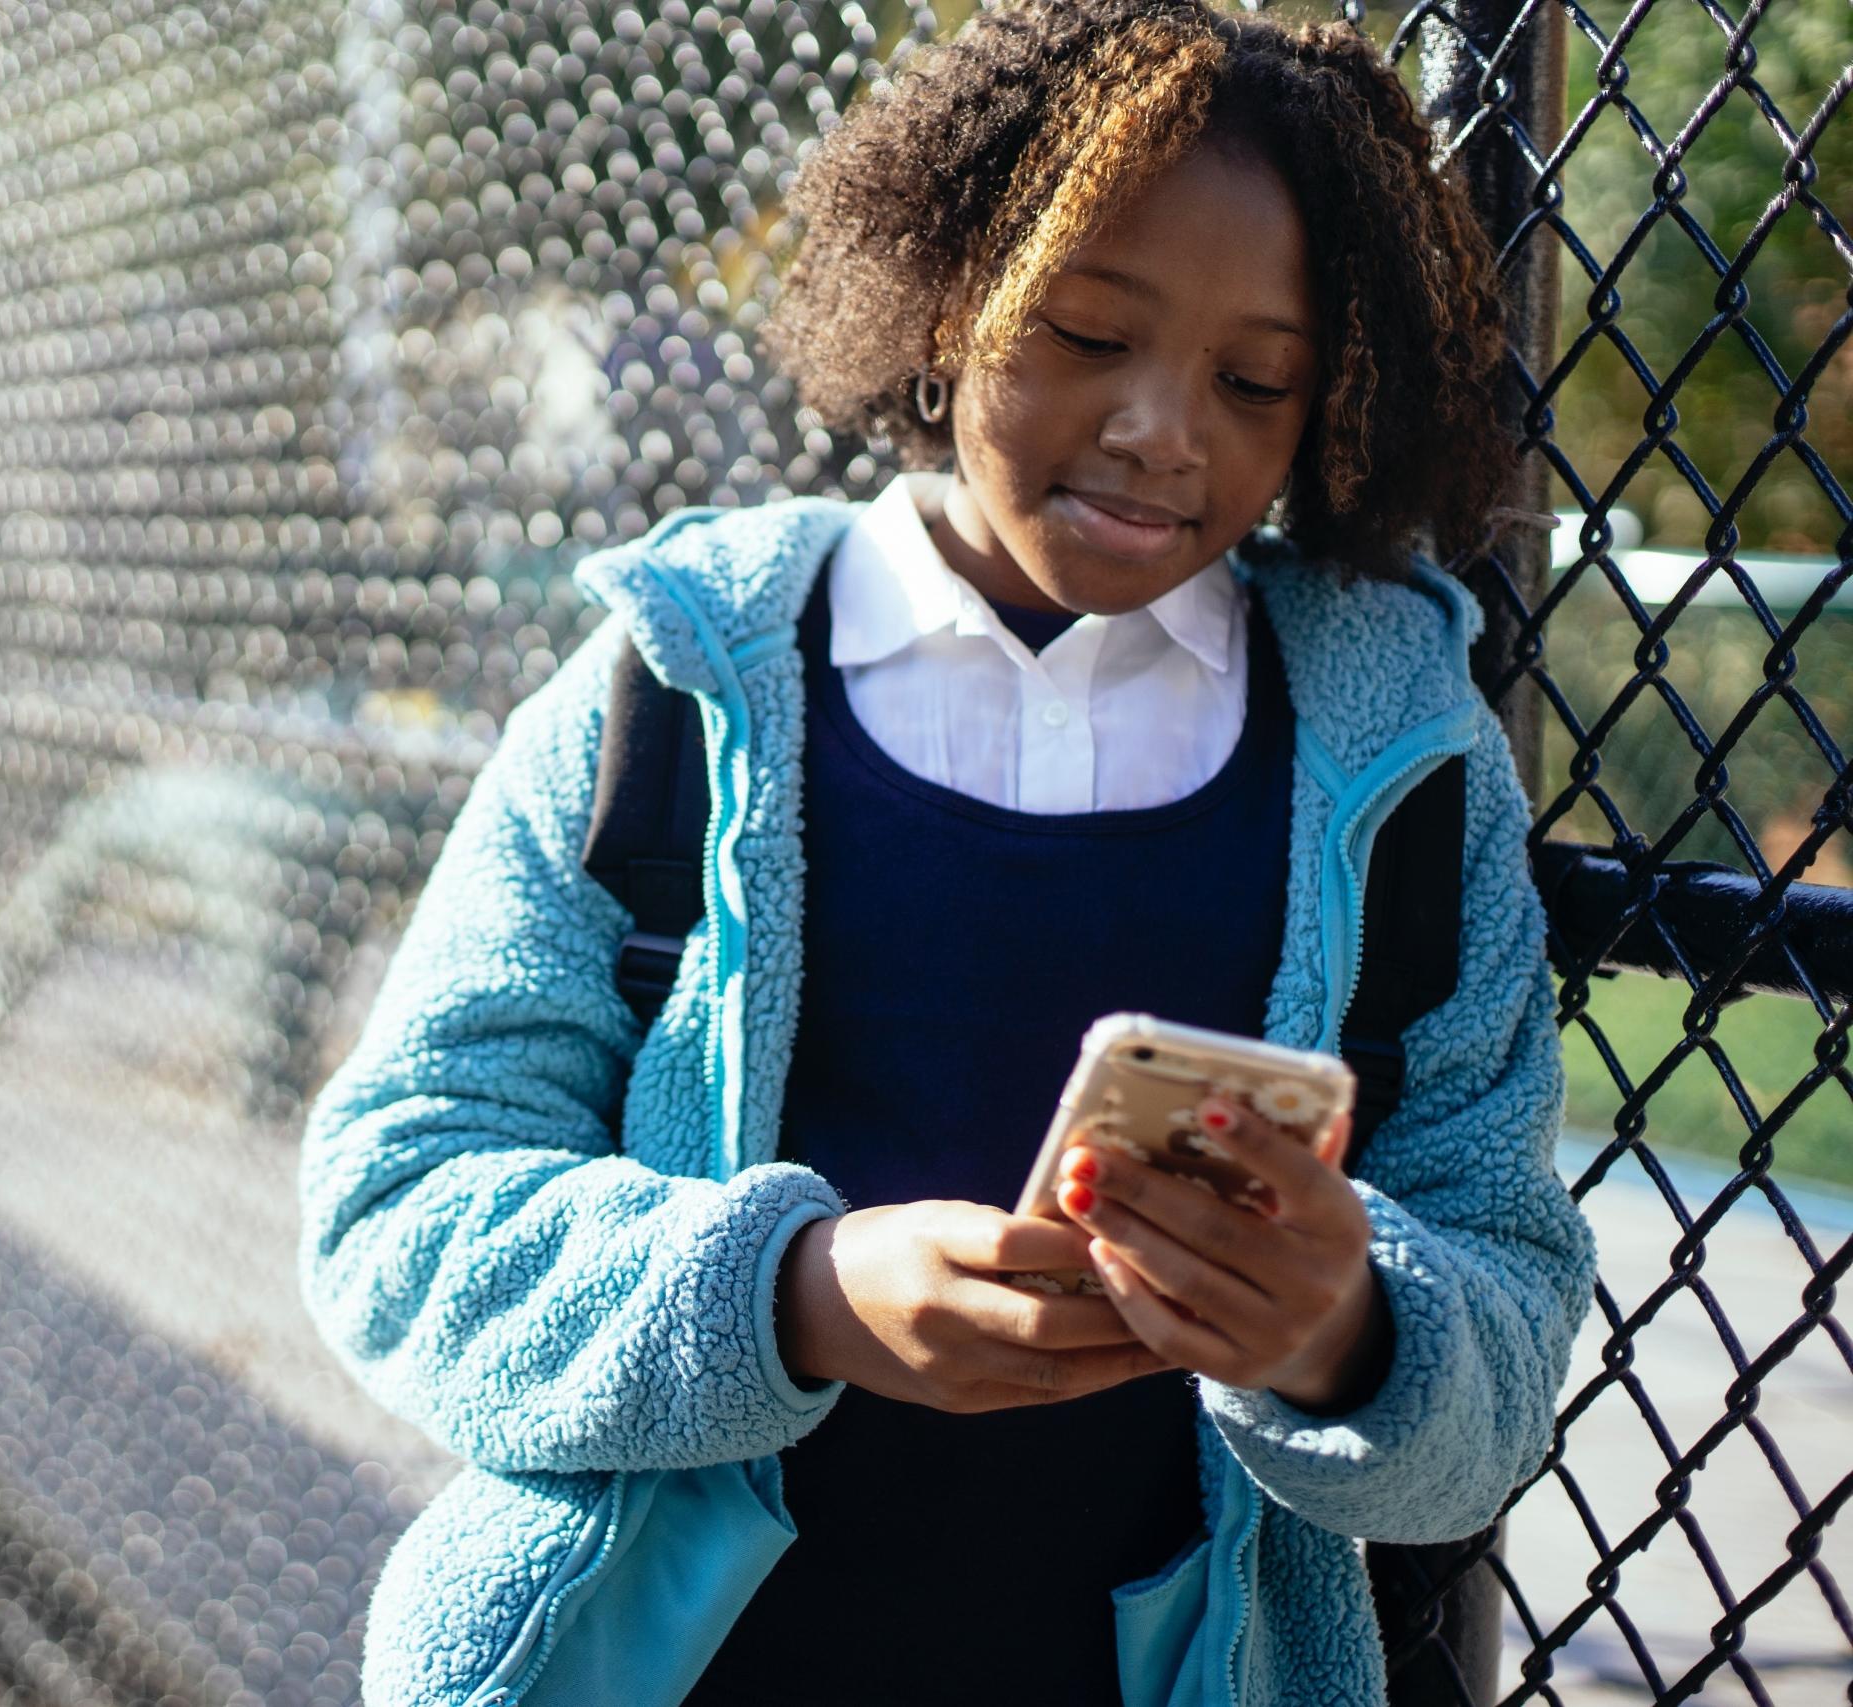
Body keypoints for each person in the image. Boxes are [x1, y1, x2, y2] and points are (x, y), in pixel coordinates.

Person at [296, 1, 1599, 1702]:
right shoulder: (672, 690)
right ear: (938, 291)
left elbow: (1503, 1336)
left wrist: (1343, 1331)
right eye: (1083, 330)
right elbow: (397, 1204)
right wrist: (798, 1295)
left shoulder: (1407, 769)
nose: (1160, 427)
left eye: (1253, 378)